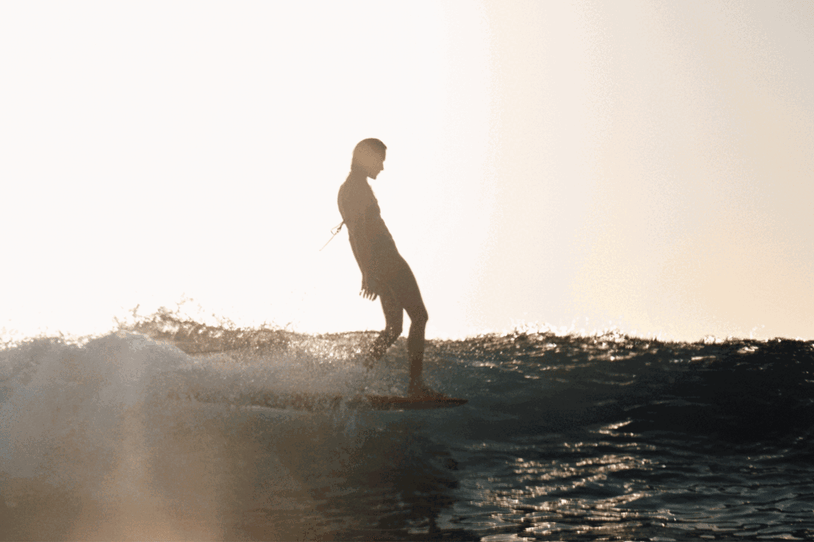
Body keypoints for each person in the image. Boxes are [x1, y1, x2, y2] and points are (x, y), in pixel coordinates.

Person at [337, 138, 443, 398]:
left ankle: (357, 381)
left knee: (394, 328)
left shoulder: (351, 187)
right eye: (380, 161)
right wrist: (368, 272)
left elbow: (354, 235)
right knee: (419, 317)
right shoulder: (356, 189)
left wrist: (367, 270)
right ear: (366, 158)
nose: (382, 167)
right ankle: (416, 386)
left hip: (379, 264)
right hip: (388, 261)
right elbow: (358, 234)